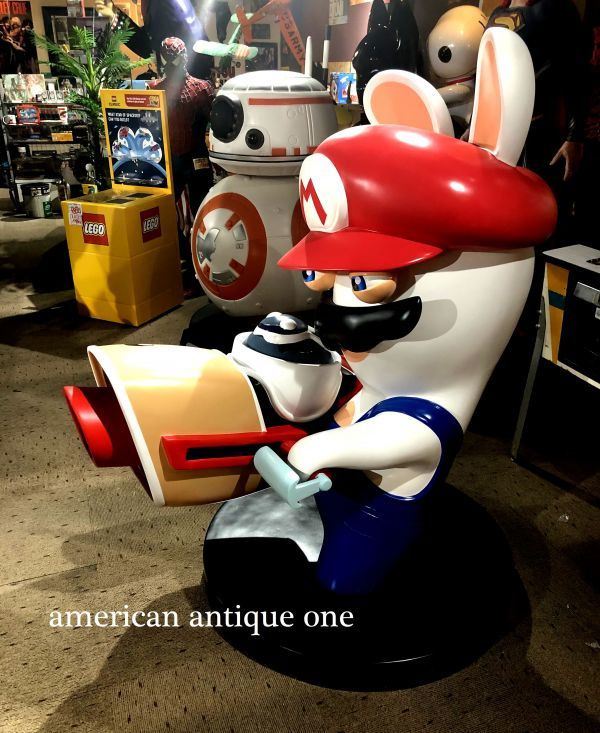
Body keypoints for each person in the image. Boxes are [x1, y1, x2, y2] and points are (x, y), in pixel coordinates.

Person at [487, 0, 589, 191]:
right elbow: (487, 72)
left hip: (538, 131)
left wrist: (574, 136)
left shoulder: (555, 8)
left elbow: (576, 71)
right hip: (496, 130)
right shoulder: (498, 12)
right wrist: (475, 124)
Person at [150, 37, 215, 292]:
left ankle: (203, 262)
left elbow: (217, 123)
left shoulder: (201, 88)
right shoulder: (156, 89)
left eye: (176, 56)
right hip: (171, 159)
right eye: (170, 57)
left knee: (202, 211)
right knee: (167, 211)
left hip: (196, 157)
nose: (174, 62)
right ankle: (183, 256)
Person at [94, 0, 211, 79]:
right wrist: (115, 17)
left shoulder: (160, 5)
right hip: (194, 70)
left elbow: (148, 46)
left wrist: (115, 16)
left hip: (188, 78)